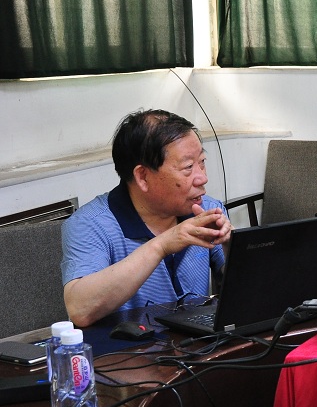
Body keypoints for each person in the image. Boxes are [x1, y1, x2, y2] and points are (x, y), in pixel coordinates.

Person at [62, 110, 232, 327]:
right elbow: (80, 309)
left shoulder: (207, 209)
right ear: (142, 176)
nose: (202, 177)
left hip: (198, 343)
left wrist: (232, 244)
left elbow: (250, 291)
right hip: (131, 347)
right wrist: (161, 245)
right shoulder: (90, 224)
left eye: (202, 162)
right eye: (188, 167)